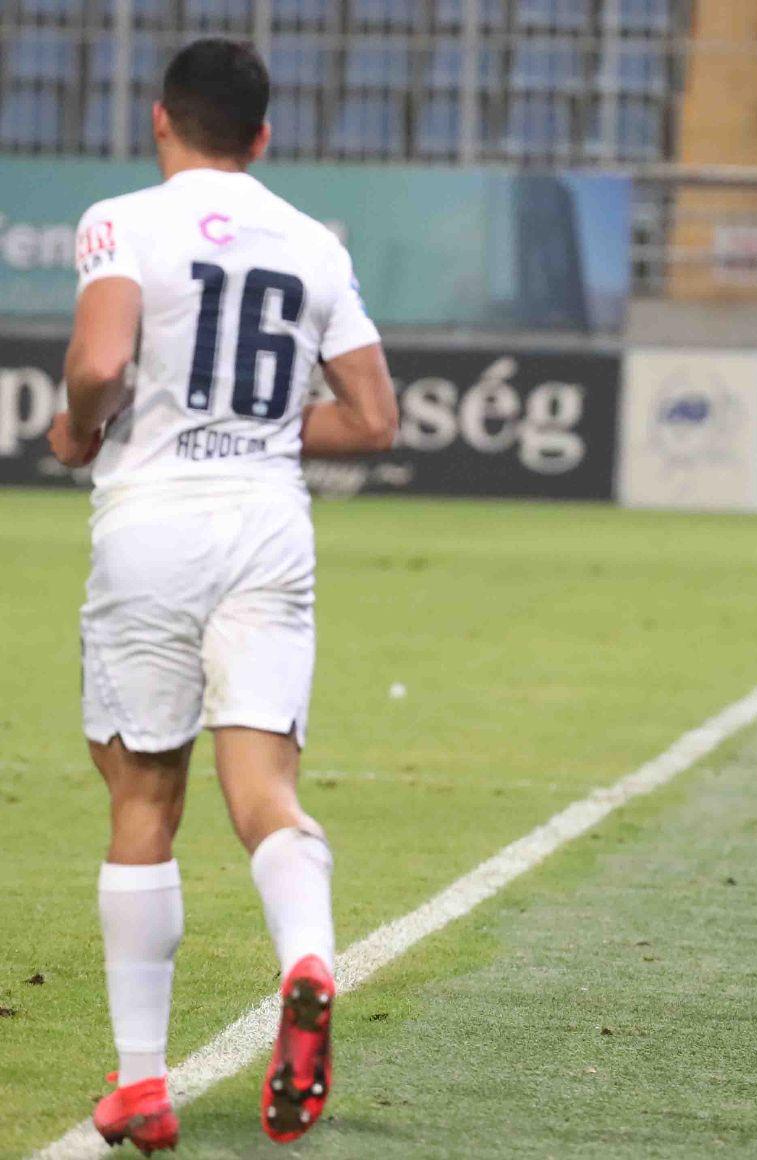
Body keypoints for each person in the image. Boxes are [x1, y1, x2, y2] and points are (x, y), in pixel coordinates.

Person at [47, 38, 398, 1151]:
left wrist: (75, 428)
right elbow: (373, 419)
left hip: (152, 526)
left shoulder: (120, 221)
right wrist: (256, 426)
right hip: (265, 525)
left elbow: (101, 365)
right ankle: (308, 957)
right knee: (265, 787)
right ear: (262, 135)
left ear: (160, 119)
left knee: (143, 796)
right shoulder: (312, 241)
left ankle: (143, 1083)